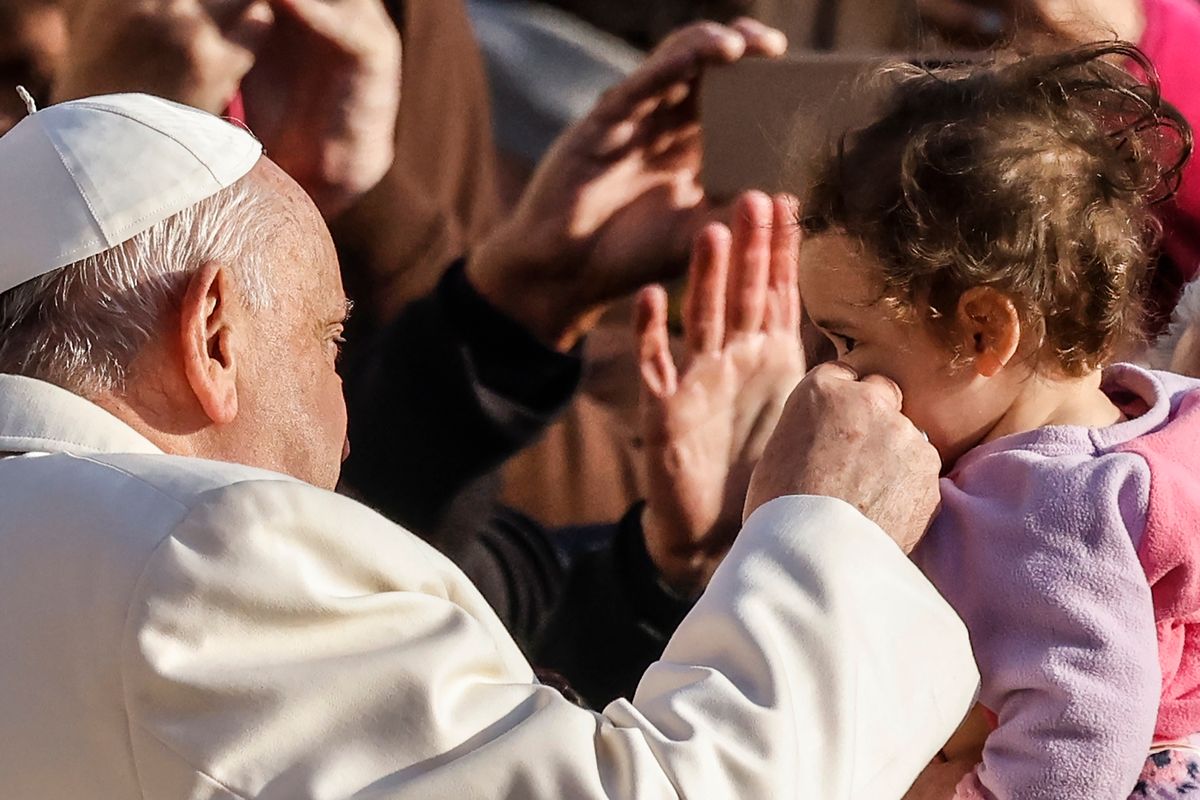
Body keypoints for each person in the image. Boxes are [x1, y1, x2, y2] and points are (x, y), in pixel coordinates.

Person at [0, 86, 977, 796]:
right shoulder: (201, 549)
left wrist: (669, 565)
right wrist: (829, 533)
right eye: (329, 340)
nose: (345, 417)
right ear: (214, 332)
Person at [797, 41, 1200, 799]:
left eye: (851, 340)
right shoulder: (1152, 408)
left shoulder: (1049, 513)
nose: (833, 372)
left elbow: (1082, 731)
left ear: (985, 331)